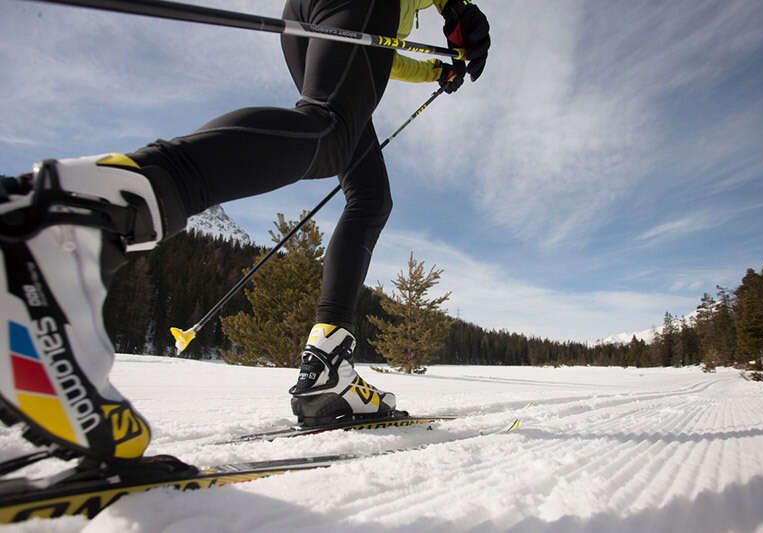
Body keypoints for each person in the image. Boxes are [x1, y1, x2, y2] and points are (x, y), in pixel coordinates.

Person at [0, 0, 490, 462]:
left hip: (318, 14)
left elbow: (377, 55)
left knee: (367, 193)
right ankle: (85, 215)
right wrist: (455, 7)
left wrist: (433, 69)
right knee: (329, 132)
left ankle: (329, 365)